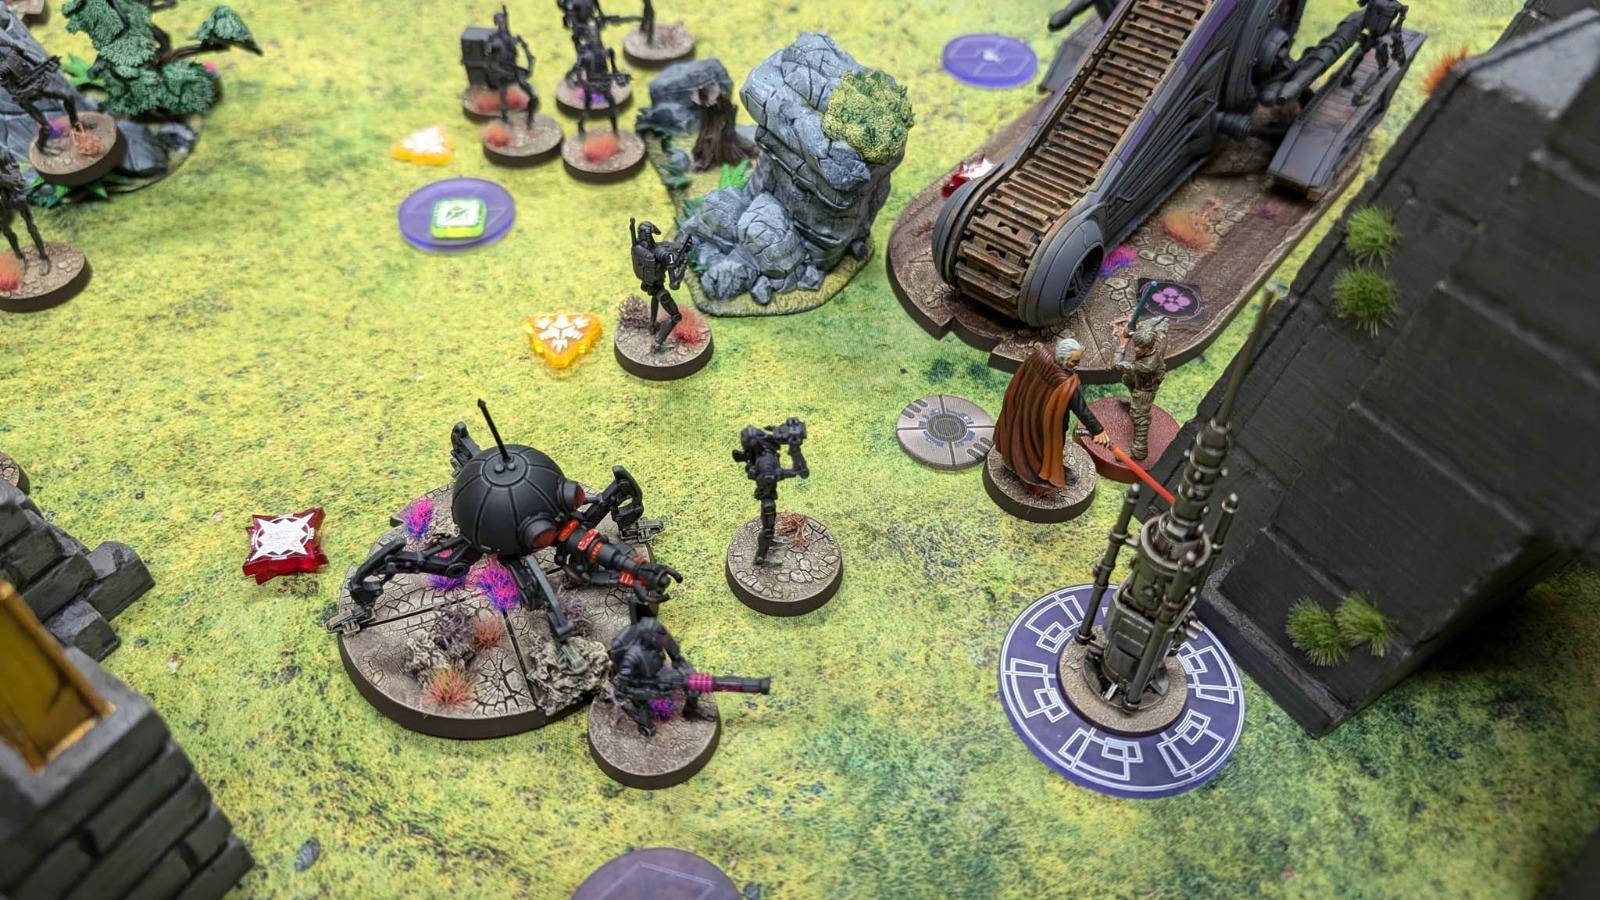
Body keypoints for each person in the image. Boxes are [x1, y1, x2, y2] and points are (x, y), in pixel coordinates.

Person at [994, 338, 1109, 487]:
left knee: (1023, 438)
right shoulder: (1066, 383)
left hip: (1028, 411)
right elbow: (1081, 409)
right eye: (1074, 362)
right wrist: (1098, 430)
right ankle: (1039, 472)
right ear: (1061, 358)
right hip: (1040, 418)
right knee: (1043, 445)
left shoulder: (1039, 356)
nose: (1077, 366)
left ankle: (1015, 463)